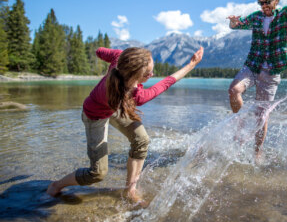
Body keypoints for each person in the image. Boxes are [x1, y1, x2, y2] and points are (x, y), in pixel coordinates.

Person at [47, 46, 204, 203]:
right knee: (97, 173)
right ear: (134, 75)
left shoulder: (121, 59)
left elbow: (99, 51)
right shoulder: (136, 95)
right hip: (94, 115)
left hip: (116, 107)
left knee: (141, 140)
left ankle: (130, 190)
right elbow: (167, 82)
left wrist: (192, 64)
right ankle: (57, 185)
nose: (152, 75)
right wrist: (191, 65)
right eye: (148, 73)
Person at [227, 0, 287, 159]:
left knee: (261, 115)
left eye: (267, 2)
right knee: (234, 90)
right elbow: (235, 26)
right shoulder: (256, 17)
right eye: (261, 3)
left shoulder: (285, 17)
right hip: (252, 66)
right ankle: (240, 121)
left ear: (275, 0)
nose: (264, 6)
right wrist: (232, 22)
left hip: (271, 72)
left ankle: (257, 152)